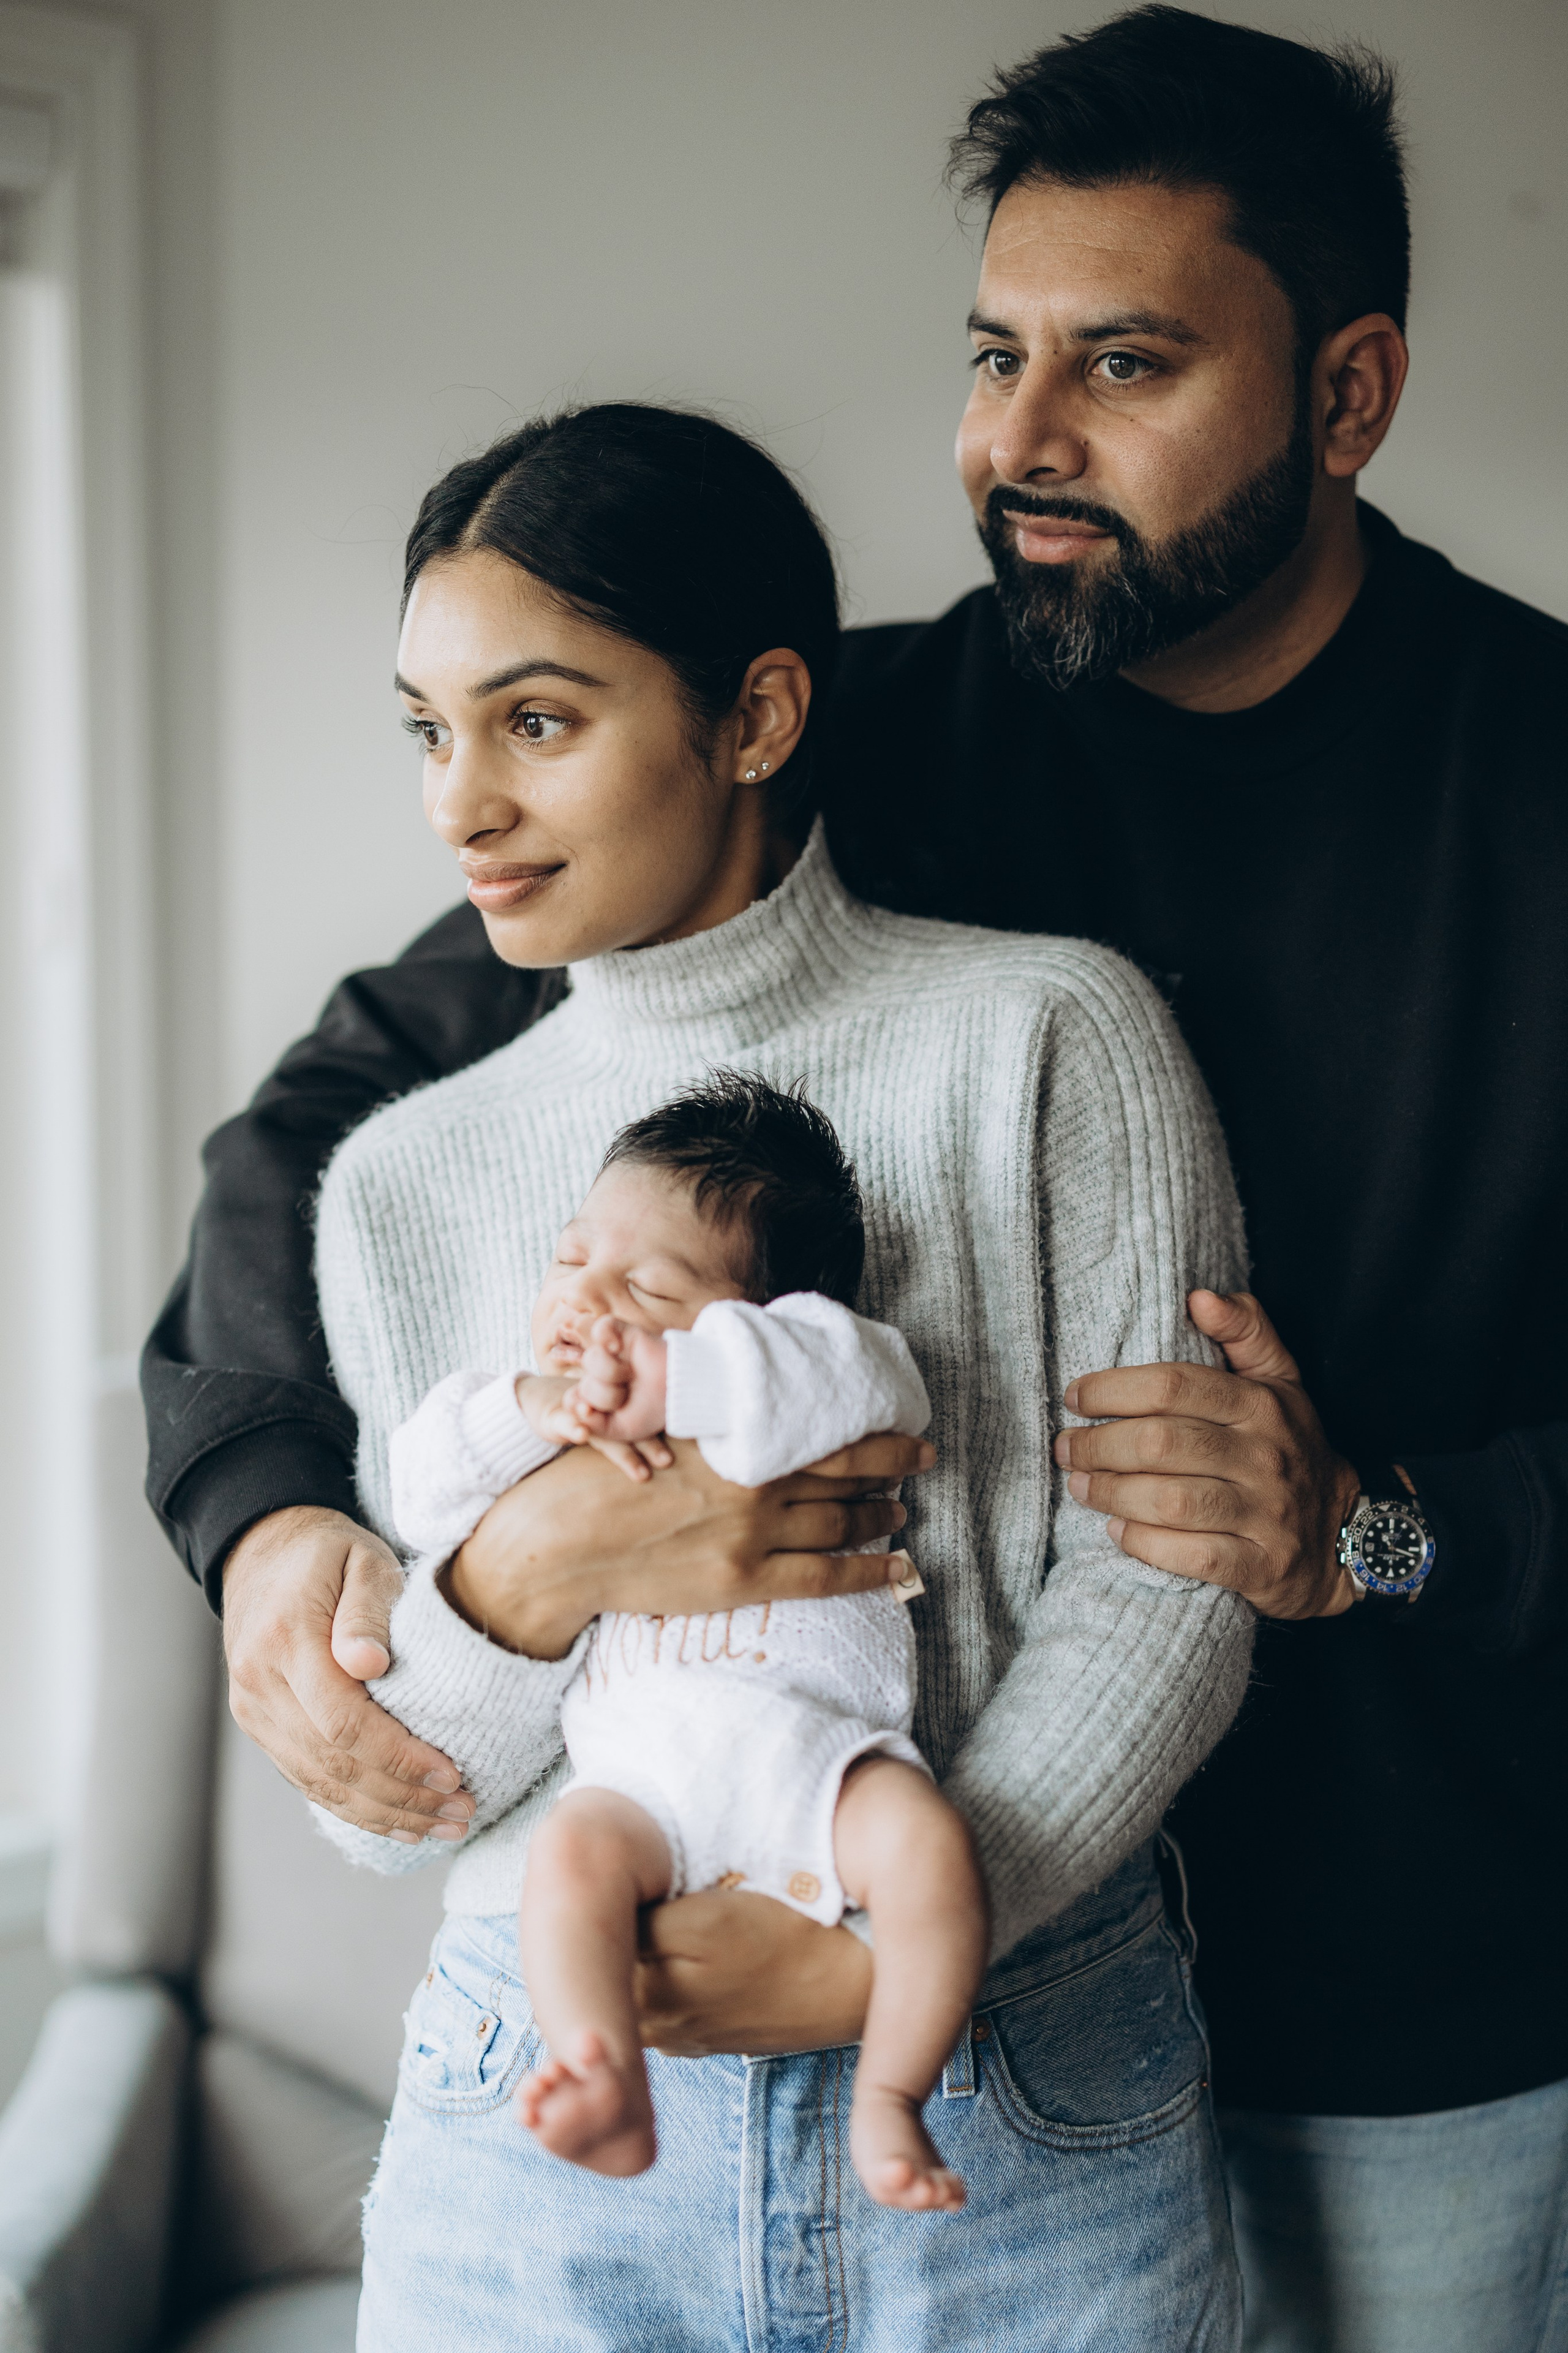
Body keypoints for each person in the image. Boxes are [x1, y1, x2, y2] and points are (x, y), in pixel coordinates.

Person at [140, 7, 1568, 2346]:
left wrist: (1391, 1530)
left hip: (1401, 2003)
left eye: (1121, 364)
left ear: (1349, 393)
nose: (1015, 443)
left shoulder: (1535, 788)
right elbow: (344, 1128)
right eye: (993, 352)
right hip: (856, 1992)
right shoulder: (853, 733)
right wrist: (274, 1501)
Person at [290, 396, 1250, 2349]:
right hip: (541, 2103)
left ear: (756, 718)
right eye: (427, 727)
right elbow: (387, 1803)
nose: (457, 802)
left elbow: (1172, 1574)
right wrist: (528, 1575)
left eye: (537, 721)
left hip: (1013, 2088)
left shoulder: (1049, 1036)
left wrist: (912, 1922)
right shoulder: (398, 1180)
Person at [381, 1073, 984, 2208]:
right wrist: (532, 1408)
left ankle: (893, 2097)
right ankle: (601, 2067)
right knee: (568, 1864)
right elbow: (424, 1492)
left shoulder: (807, 1370)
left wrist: (676, 1378)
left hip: (821, 1756)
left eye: (650, 1285)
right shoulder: (537, 1429)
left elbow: (871, 1372)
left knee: (931, 1854)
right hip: (642, 1781)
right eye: (571, 1260)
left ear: (760, 1314)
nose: (590, 1298)